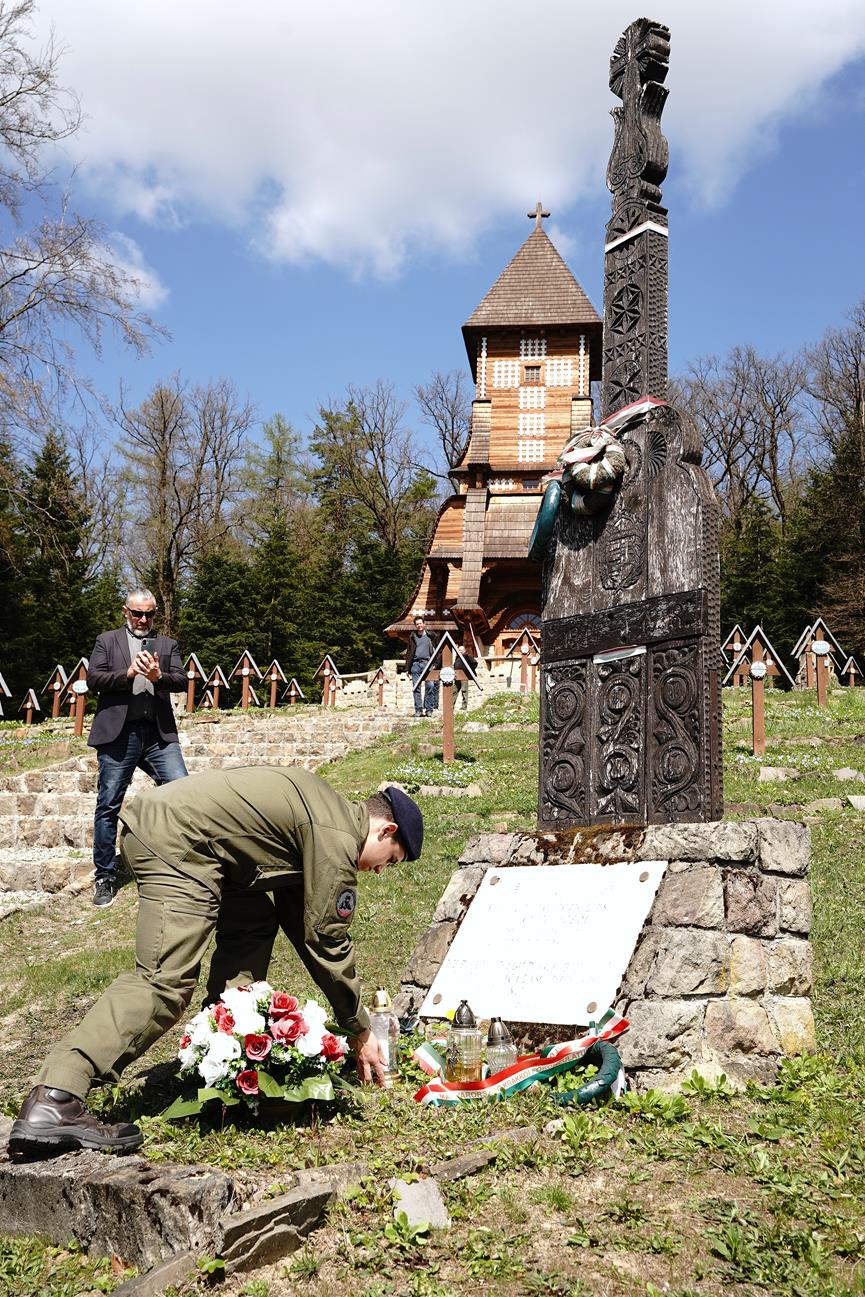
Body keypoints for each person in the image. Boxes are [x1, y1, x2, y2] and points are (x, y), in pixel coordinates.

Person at [8, 770, 423, 1156]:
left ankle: (221, 1056)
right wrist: (359, 1027)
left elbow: (302, 922)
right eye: (391, 859)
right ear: (386, 830)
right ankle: (56, 1096)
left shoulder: (327, 816)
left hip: (195, 840)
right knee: (163, 983)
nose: (380, 870)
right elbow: (325, 940)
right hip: (179, 841)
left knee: (254, 922)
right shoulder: (336, 838)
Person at [86, 589, 188, 908]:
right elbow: (94, 679)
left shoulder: (168, 645)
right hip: (120, 734)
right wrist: (128, 674)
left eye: (149, 614)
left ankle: (180, 862)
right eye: (137, 613)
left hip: (158, 734)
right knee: (108, 804)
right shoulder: (107, 641)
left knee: (184, 794)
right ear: (125, 612)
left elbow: (181, 680)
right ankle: (104, 876)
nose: (143, 619)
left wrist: (159, 677)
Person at [405, 615, 438, 717]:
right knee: (416, 688)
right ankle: (418, 710)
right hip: (415, 665)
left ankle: (429, 710)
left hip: (428, 664)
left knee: (431, 686)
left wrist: (436, 664)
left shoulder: (431, 636)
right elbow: (409, 652)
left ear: (424, 624)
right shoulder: (412, 637)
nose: (419, 625)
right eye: (417, 624)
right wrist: (407, 668)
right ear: (415, 625)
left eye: (420, 623)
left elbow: (438, 650)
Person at [453, 626, 479, 712]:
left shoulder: (467, 656)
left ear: (464, 651)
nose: (460, 651)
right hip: (457, 675)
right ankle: (451, 705)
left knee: (464, 691)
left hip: (464, 675)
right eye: (459, 650)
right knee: (454, 690)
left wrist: (469, 671)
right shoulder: (457, 657)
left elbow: (475, 663)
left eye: (461, 650)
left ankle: (464, 707)